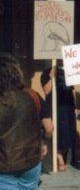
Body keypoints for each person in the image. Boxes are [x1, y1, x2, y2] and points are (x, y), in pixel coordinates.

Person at [0, 53, 52, 190]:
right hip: (32, 162)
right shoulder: (32, 95)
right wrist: (44, 143)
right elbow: (49, 128)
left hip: (4, 167)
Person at [41, 64, 80, 171]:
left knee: (67, 133)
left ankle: (63, 156)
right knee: (56, 133)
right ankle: (59, 159)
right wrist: (51, 77)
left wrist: (76, 105)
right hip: (55, 107)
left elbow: (72, 90)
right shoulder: (47, 72)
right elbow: (46, 90)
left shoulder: (68, 70)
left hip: (68, 107)